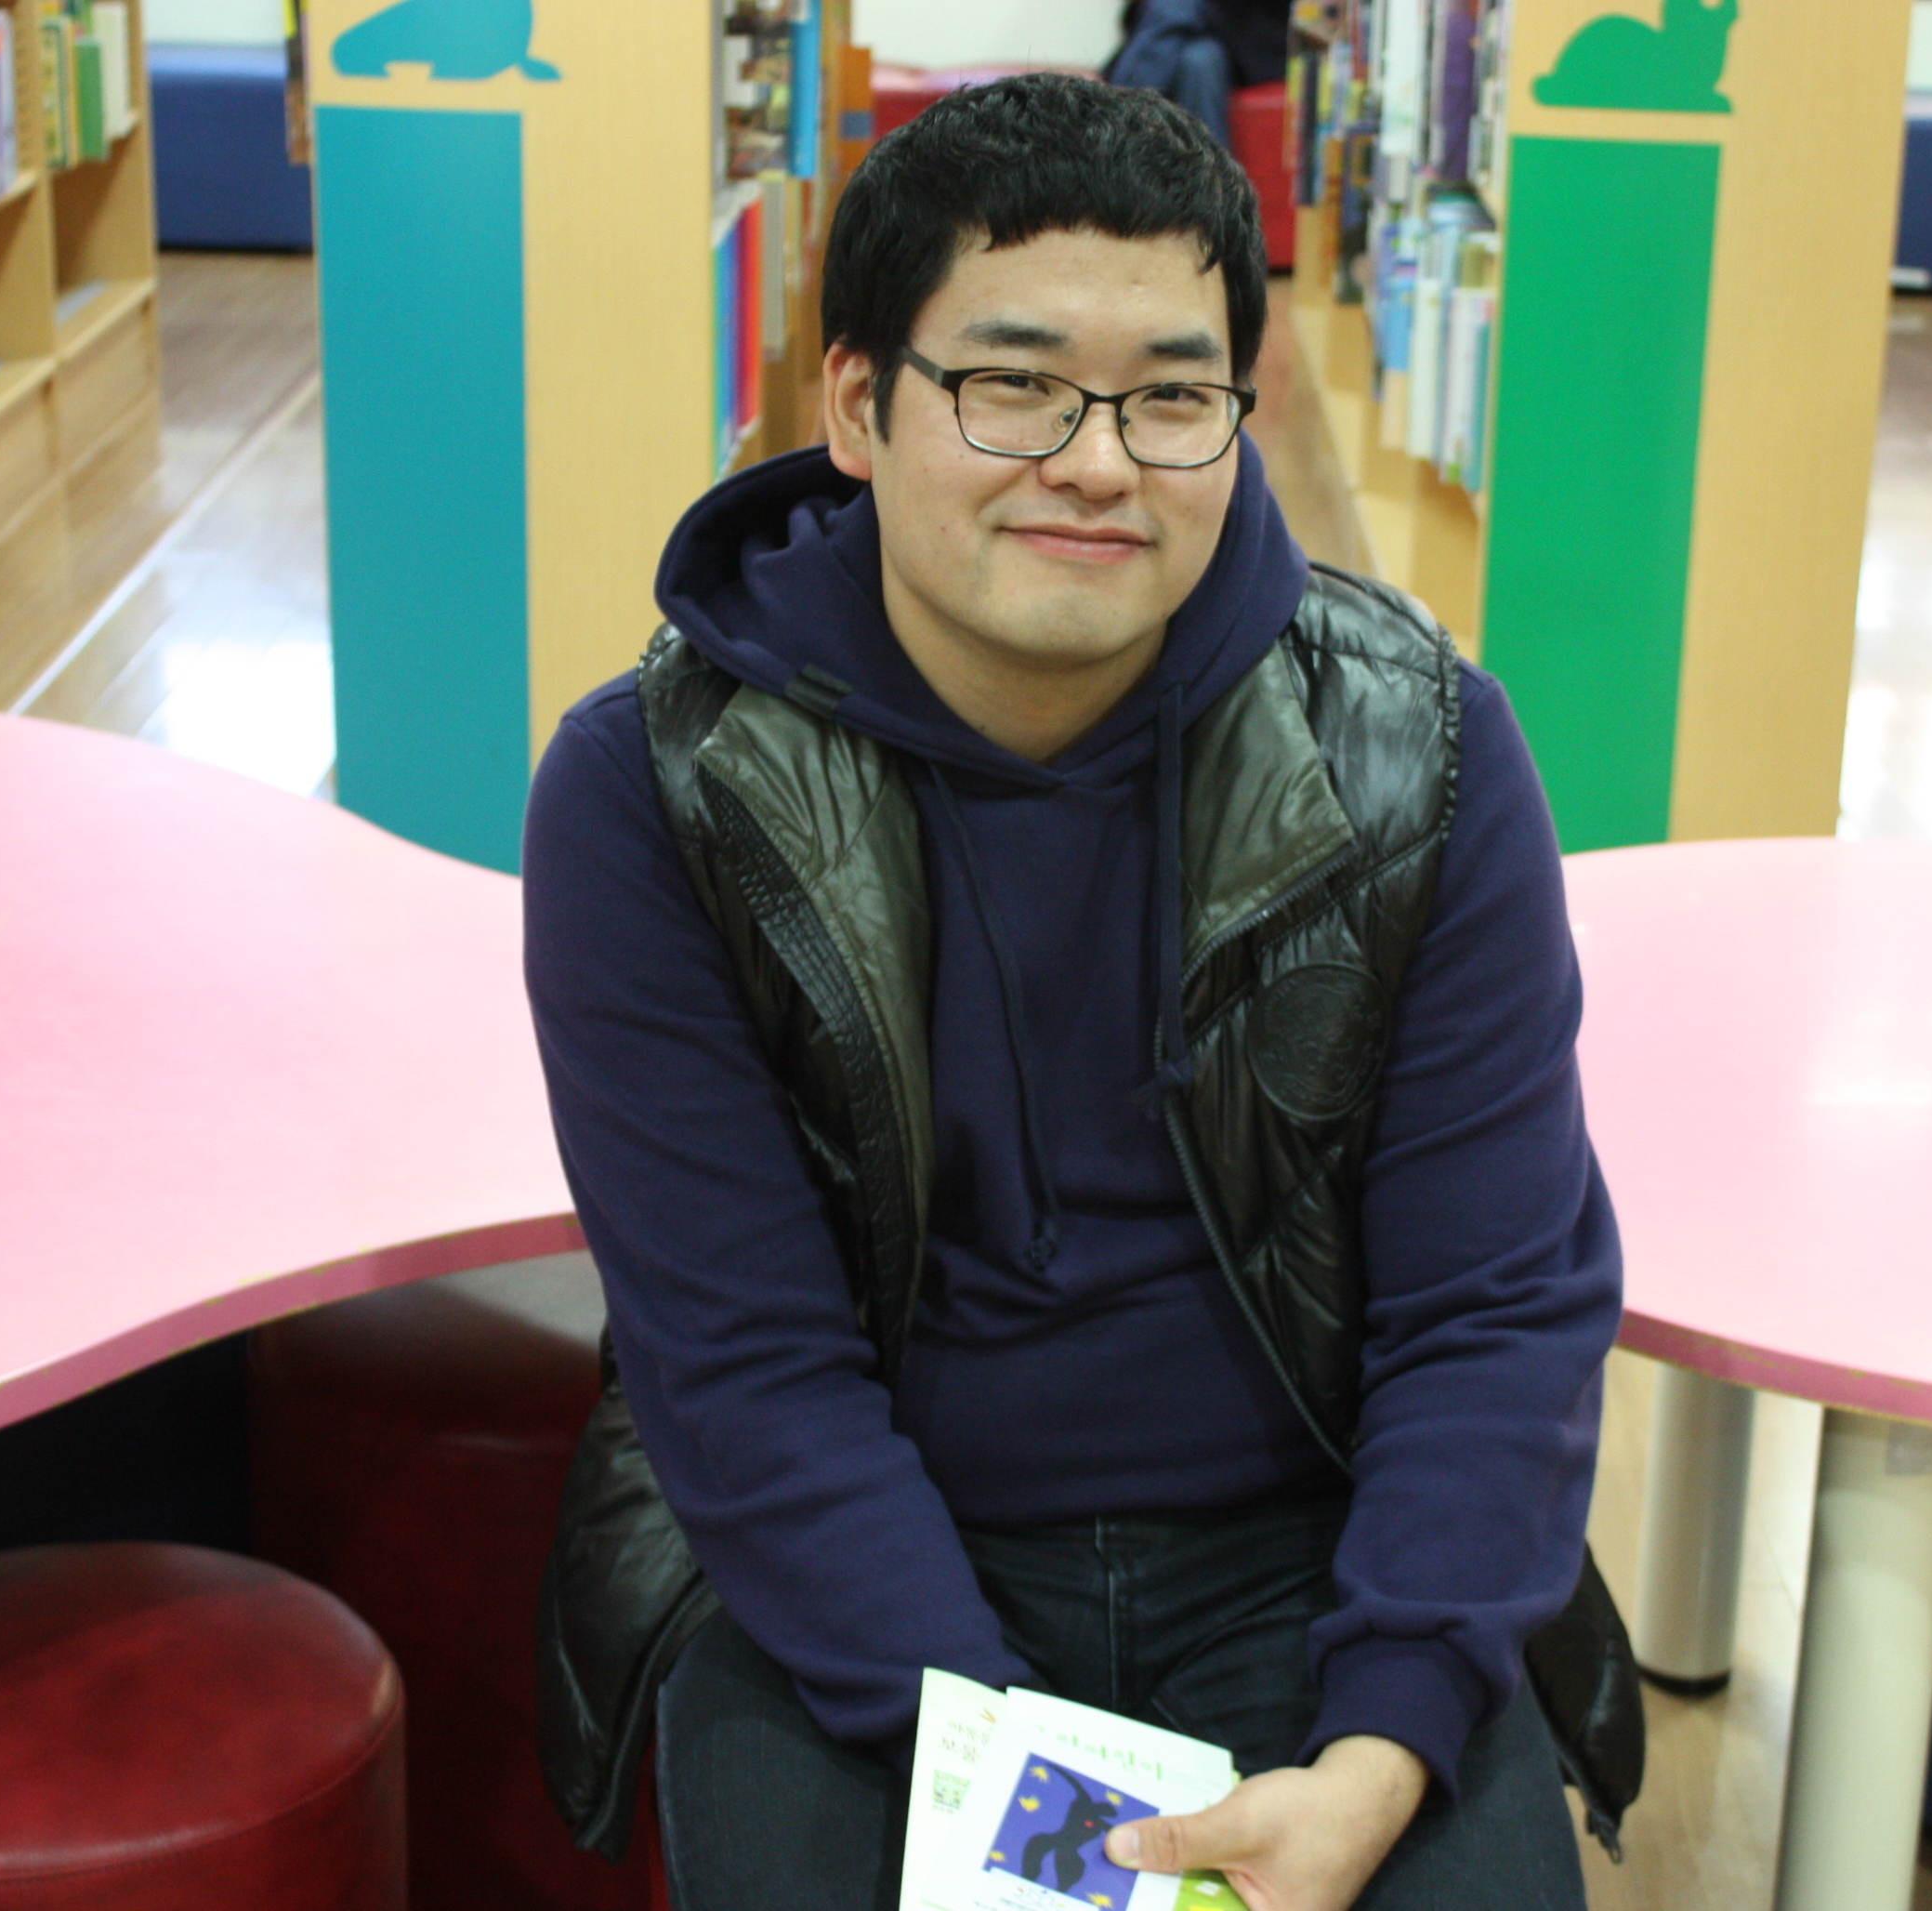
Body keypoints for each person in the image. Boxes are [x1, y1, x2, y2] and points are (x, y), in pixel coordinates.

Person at [521, 75, 1626, 1911]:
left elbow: (1490, 1304)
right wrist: (1034, 1804)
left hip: (1325, 1538)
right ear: (856, 406)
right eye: (1012, 384)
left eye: (1170, 397)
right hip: (867, 1552)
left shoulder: (1417, 751)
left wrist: (1378, 1748)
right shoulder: (660, 787)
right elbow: (743, 1361)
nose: (1097, 463)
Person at [1105, 0, 1292, 151]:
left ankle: (1117, 127)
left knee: (1173, 6)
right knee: (1199, 60)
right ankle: (1213, 182)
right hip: (1207, 45)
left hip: (1264, 37)